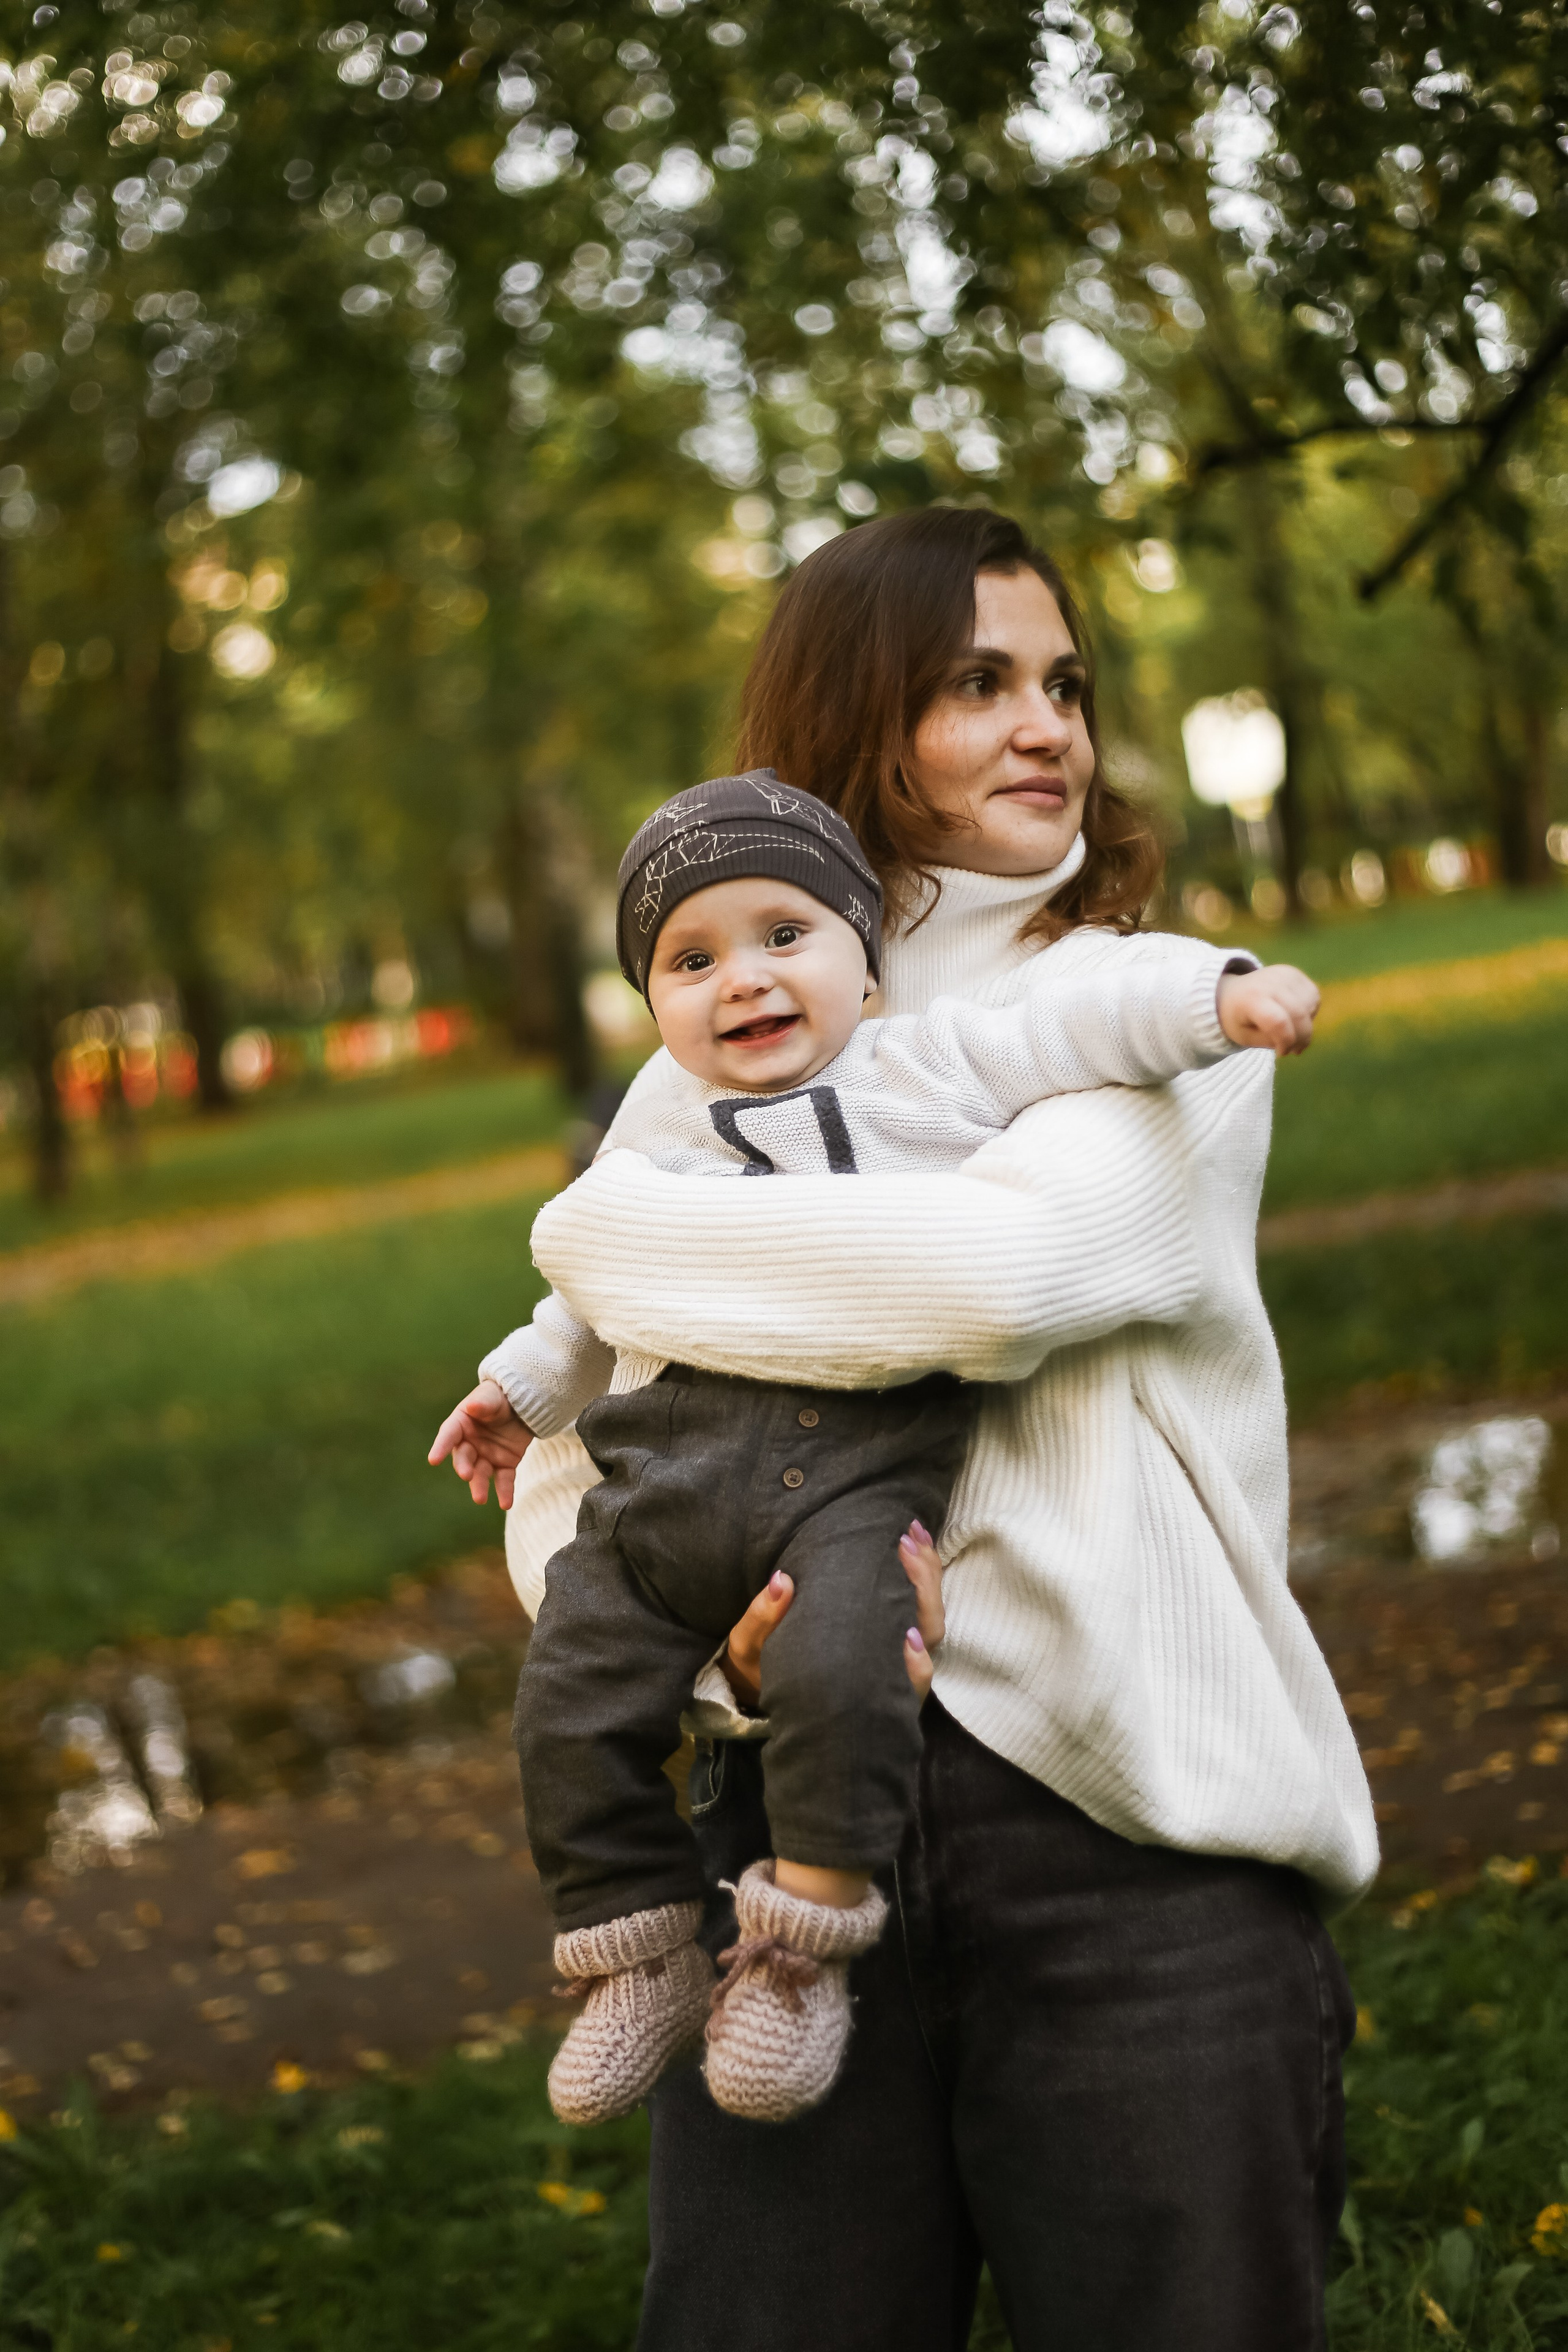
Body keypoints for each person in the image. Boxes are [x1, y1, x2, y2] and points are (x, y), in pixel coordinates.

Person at [433, 507, 1377, 2352]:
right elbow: (571, 1471)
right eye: (980, 684)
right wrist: (706, 1647)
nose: (1052, 729)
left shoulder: (1156, 1011)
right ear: (858, 716)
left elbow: (998, 1281)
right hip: (779, 1838)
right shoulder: (717, 1038)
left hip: (1130, 1847)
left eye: (1066, 686)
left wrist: (606, 1242)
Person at [472, 767, 1317, 2132]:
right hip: (663, 1472)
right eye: (690, 960)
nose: (741, 980)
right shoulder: (658, 1120)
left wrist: (1215, 1000)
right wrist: (517, 1389)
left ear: (866, 967)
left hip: (855, 1472)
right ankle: (633, 1944)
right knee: (568, 1684)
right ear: (651, 1004)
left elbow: (1081, 1027)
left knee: (845, 1665)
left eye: (784, 937)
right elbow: (587, 1286)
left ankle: (797, 1954)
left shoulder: (921, 1063)